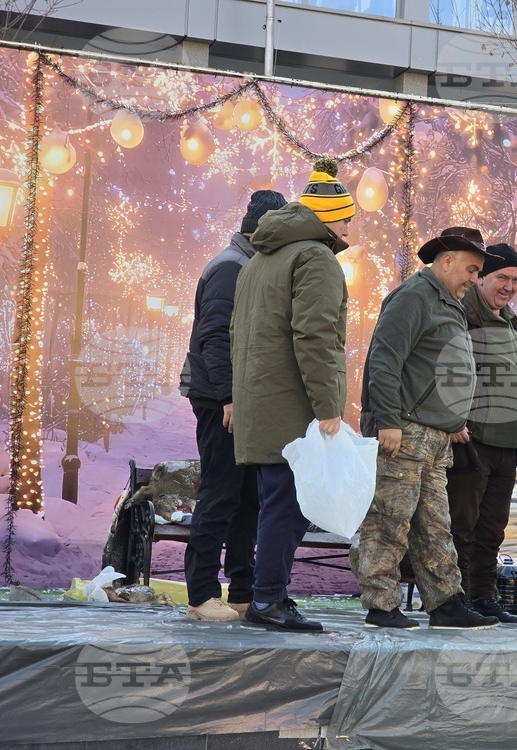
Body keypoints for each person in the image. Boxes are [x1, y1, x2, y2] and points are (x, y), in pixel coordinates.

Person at [230, 158, 354, 631]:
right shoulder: (315, 258)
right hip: (293, 406)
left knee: (273, 503)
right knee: (291, 505)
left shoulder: (260, 260)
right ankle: (267, 601)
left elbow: (239, 334)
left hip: (261, 401)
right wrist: (328, 408)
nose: (349, 228)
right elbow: (316, 336)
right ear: (326, 217)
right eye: (346, 218)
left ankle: (269, 595)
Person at [355, 227, 500, 631]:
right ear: (447, 260)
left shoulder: (446, 301)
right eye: (472, 270)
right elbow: (384, 360)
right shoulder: (414, 297)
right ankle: (380, 605)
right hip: (405, 431)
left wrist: (451, 420)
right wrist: (387, 420)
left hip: (434, 437)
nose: (474, 279)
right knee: (390, 519)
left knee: (435, 524)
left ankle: (445, 603)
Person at [180, 189, 286, 622]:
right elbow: (214, 339)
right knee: (221, 493)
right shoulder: (230, 268)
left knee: (247, 498)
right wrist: (229, 397)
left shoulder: (249, 266)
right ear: (263, 227)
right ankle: (201, 595)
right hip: (221, 399)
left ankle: (241, 591)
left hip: (242, 399)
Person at [446, 242, 517, 623]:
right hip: (472, 442)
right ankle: (454, 597)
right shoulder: (462, 316)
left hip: (509, 444)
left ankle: (484, 597)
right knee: (463, 526)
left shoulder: (511, 320)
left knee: (493, 528)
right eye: (502, 277)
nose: (509, 286)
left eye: (516, 279)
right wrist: (455, 418)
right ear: (481, 277)